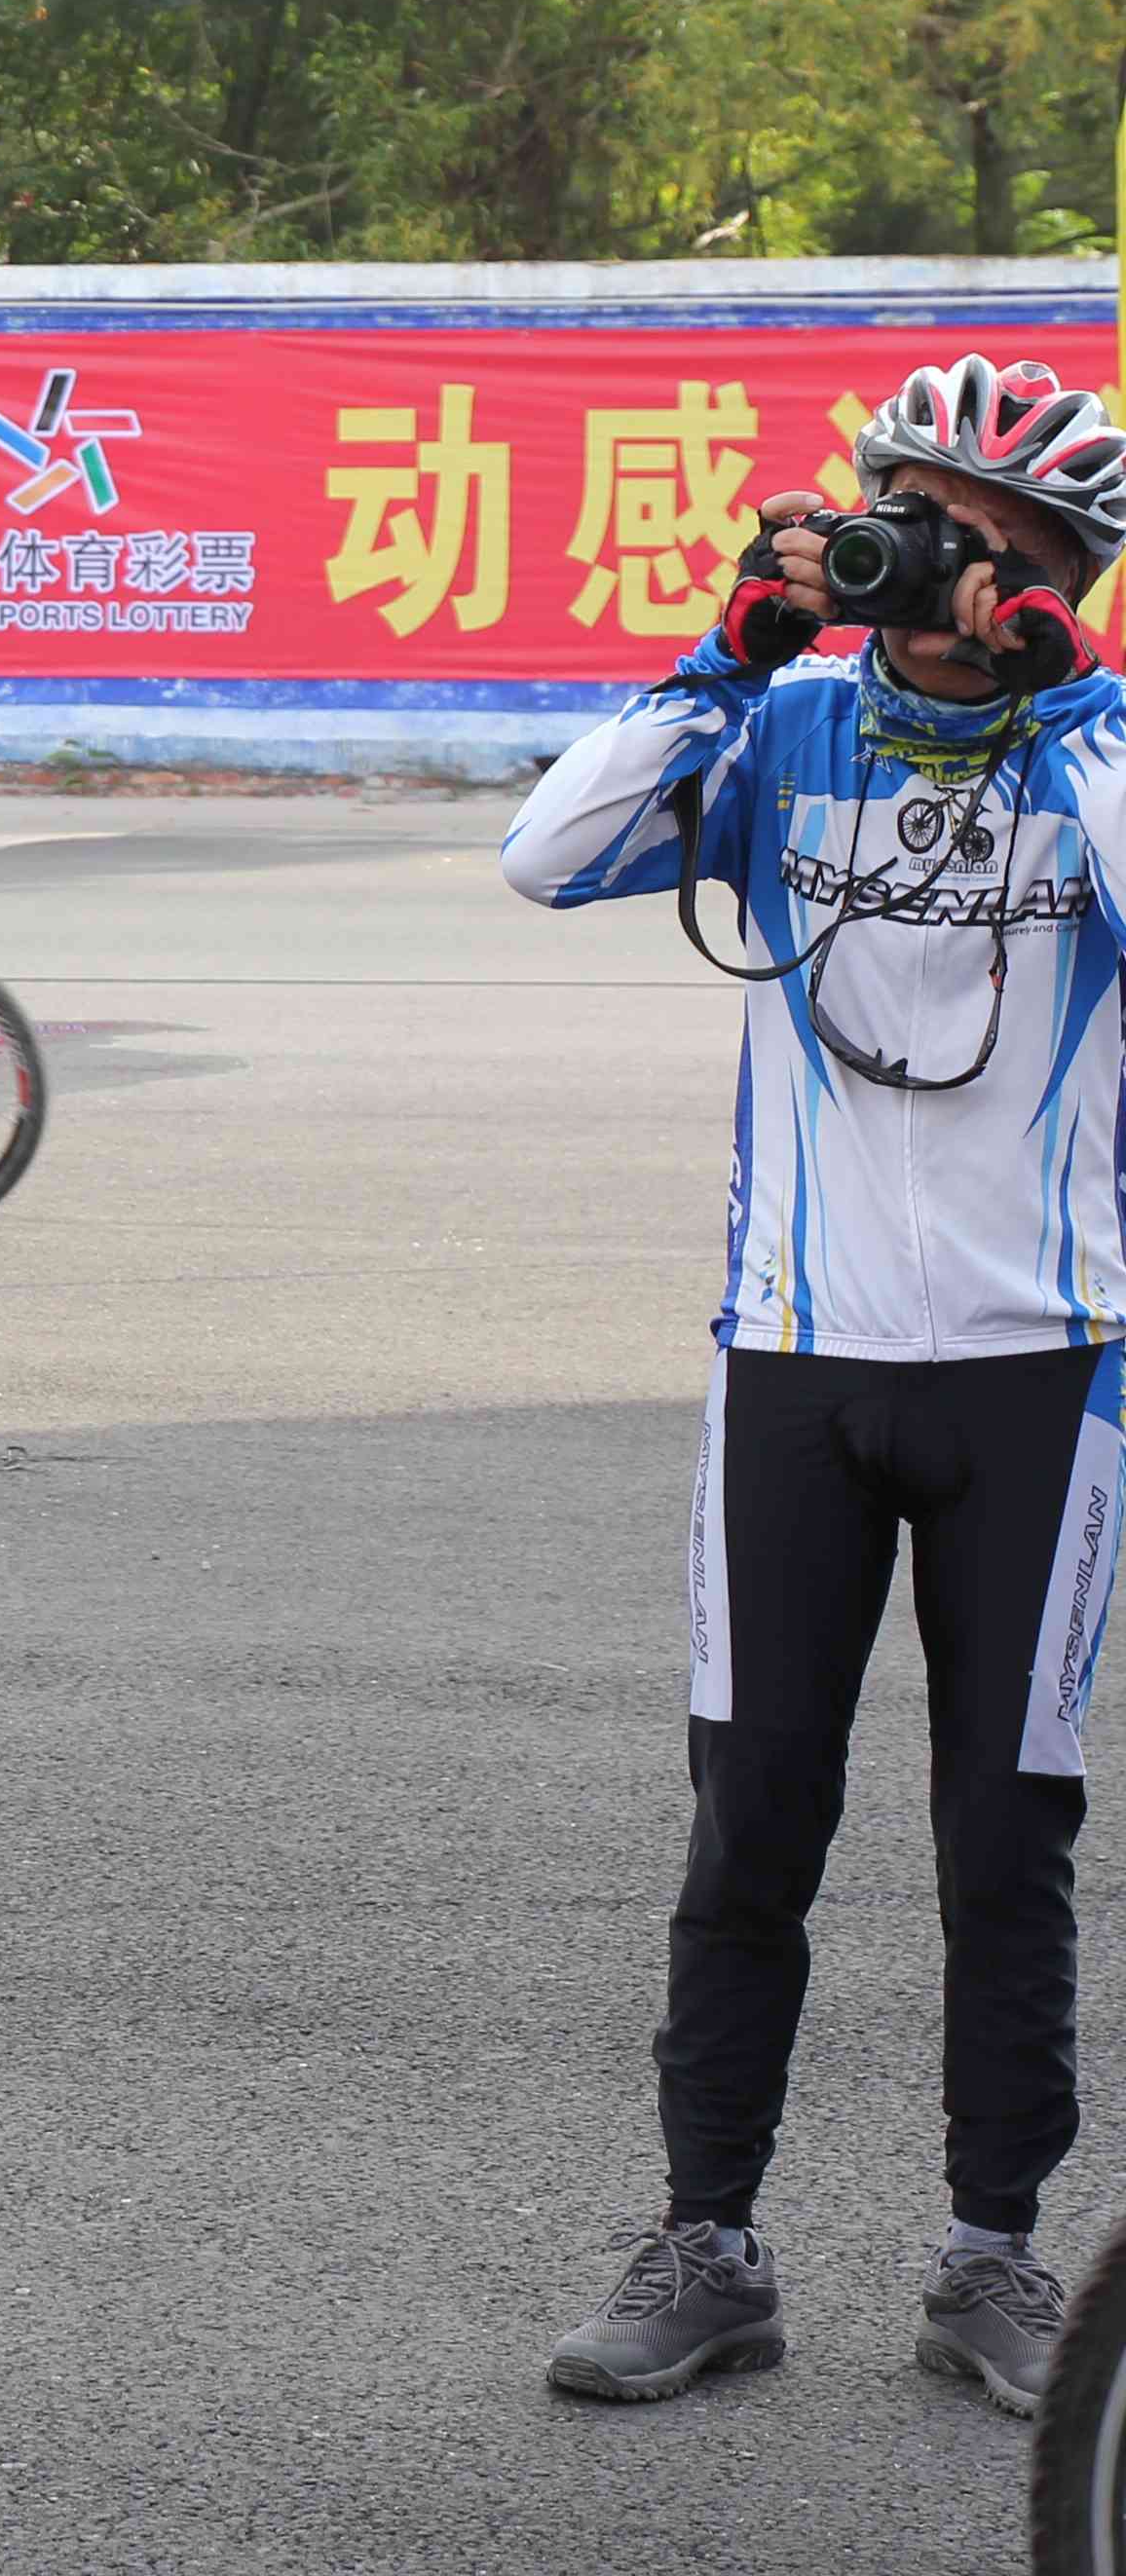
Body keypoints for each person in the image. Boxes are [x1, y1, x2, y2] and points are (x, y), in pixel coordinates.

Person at [502, 353, 1126, 2416]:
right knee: (749, 1816)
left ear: (1064, 581)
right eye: (916, 519)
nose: (941, 570)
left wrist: (1065, 695)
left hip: (1046, 1373)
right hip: (789, 1356)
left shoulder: (1098, 749)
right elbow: (541, 854)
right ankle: (707, 2243)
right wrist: (726, 649)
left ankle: (990, 2257)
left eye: (996, 546)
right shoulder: (777, 730)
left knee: (1003, 1839)